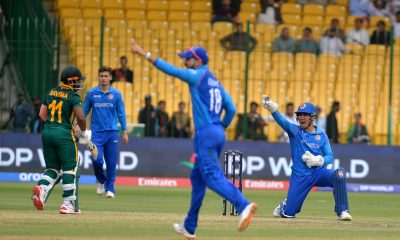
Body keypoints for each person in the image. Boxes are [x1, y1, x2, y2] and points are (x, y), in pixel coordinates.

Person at [131, 39, 257, 238]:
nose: (185, 62)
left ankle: (243, 205)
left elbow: (172, 70)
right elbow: (231, 109)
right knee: (197, 179)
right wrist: (221, 126)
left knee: (212, 176)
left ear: (198, 61)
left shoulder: (198, 76)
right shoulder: (216, 82)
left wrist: (144, 54)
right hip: (216, 132)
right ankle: (189, 226)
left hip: (205, 134)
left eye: (188, 59)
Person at [262, 96, 352, 221]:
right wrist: (273, 110)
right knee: (289, 214)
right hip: (300, 176)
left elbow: (330, 157)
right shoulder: (295, 131)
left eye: (305, 114)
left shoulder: (321, 135)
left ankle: (342, 211)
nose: (301, 117)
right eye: (299, 114)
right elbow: (283, 122)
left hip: (318, 172)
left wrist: (318, 160)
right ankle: (285, 205)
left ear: (312, 117)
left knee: (339, 174)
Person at [31, 66, 92, 214]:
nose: (79, 84)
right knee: (70, 168)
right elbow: (81, 117)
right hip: (64, 134)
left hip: (47, 132)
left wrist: (53, 125)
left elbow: (42, 114)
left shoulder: (51, 91)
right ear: (72, 81)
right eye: (78, 81)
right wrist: (83, 132)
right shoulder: (73, 96)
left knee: (52, 169)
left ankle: (42, 188)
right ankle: (68, 204)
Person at [83, 66, 129, 199]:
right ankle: (101, 180)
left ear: (110, 78)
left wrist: (124, 132)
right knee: (96, 160)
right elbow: (85, 110)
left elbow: (121, 113)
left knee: (111, 162)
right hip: (96, 133)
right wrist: (78, 125)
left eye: (105, 76)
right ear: (98, 77)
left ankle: (110, 189)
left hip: (112, 133)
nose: (103, 78)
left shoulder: (116, 94)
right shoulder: (92, 93)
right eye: (101, 76)